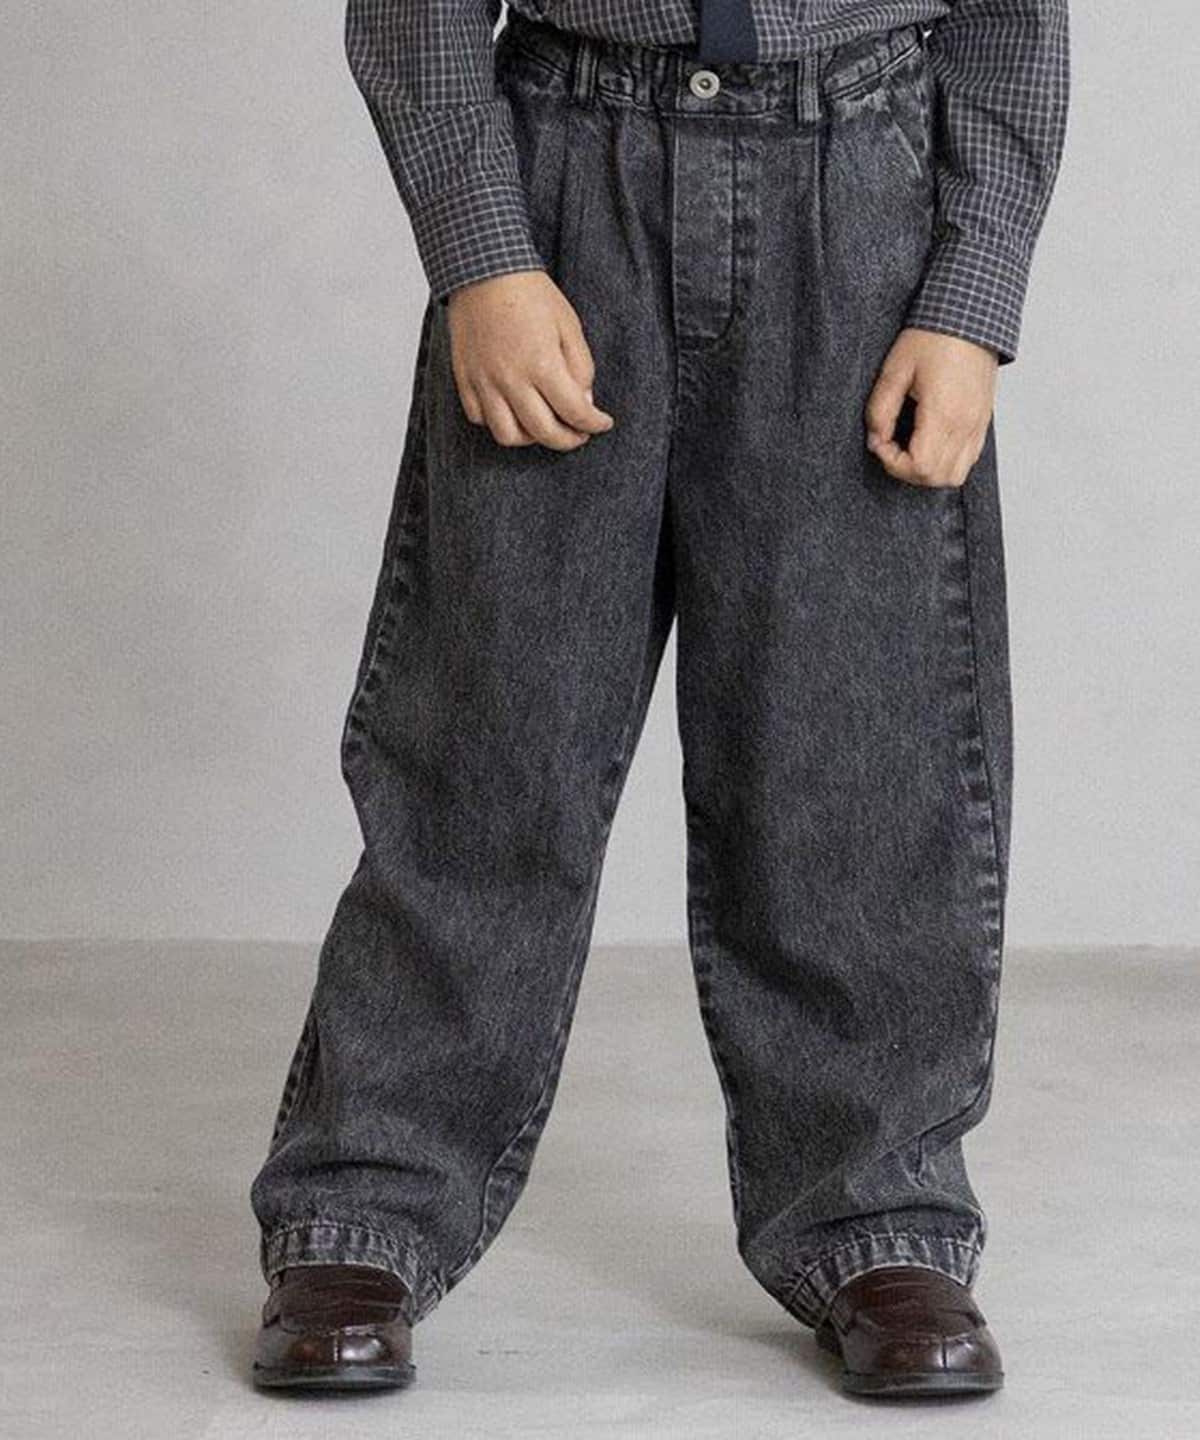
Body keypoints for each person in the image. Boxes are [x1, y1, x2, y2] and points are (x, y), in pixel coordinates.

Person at [249, 0, 1070, 1399]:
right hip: (566, 188)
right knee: (489, 745)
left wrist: (971, 295)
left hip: (859, 195)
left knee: (852, 753)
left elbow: (1012, 16)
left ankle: (879, 1210)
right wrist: (482, 255)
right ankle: (367, 1202)